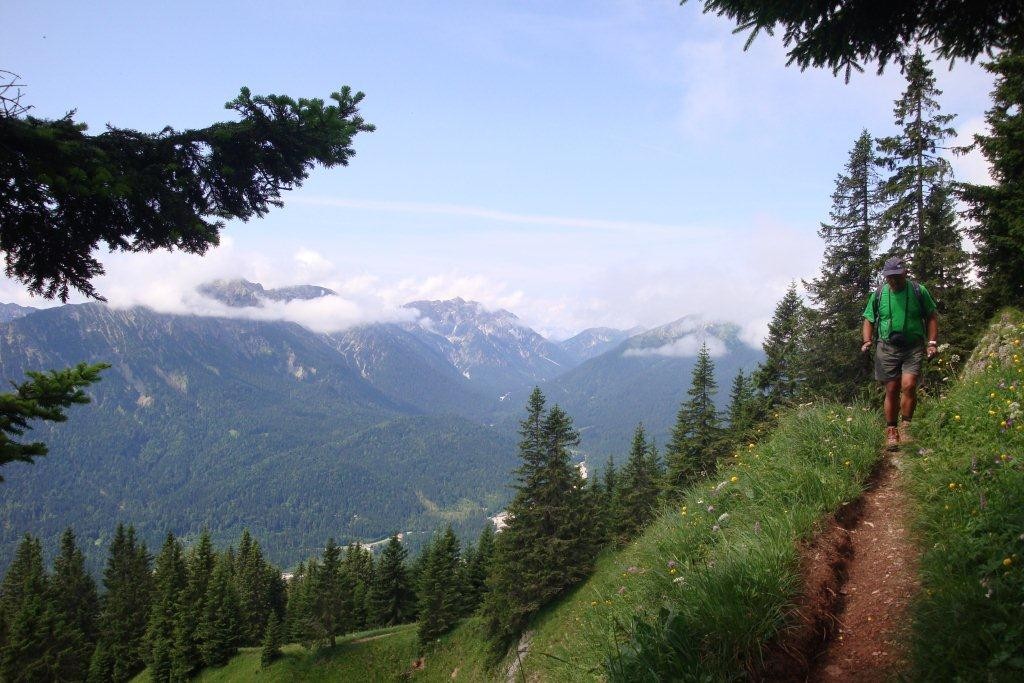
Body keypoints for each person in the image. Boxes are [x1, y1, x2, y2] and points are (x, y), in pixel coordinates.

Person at [861, 257, 939, 451]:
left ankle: (906, 426)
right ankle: (891, 430)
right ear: (886, 277)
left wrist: (932, 343)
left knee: (909, 385)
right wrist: (867, 340)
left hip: (913, 346)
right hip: (886, 346)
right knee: (892, 388)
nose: (894, 281)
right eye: (890, 277)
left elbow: (931, 316)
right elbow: (869, 319)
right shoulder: (879, 294)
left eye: (897, 277)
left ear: (905, 273)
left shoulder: (918, 291)